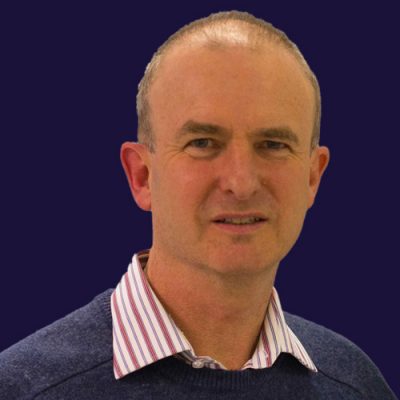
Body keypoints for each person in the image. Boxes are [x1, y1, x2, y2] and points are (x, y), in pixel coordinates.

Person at [0, 10, 396, 400]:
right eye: (203, 143)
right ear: (142, 176)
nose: (241, 183)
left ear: (312, 177)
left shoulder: (355, 385)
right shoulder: (23, 388)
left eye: (273, 145)